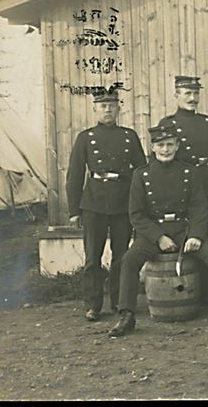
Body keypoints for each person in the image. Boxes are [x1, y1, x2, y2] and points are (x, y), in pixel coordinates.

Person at [108, 124, 208, 337]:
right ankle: (127, 314)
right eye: (161, 145)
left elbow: (199, 207)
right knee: (129, 259)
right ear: (153, 147)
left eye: (169, 145)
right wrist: (159, 237)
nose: (165, 150)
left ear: (177, 146)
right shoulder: (141, 175)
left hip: (184, 229)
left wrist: (195, 234)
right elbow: (137, 214)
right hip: (153, 232)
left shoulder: (189, 172)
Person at [66, 89, 146, 321]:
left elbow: (141, 172)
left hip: (123, 203)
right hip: (93, 203)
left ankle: (119, 302)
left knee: (121, 255)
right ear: (95, 110)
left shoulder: (129, 136)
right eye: (103, 106)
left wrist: (140, 206)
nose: (108, 110)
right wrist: (74, 211)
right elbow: (75, 175)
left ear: (118, 108)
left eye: (112, 105)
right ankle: (93, 305)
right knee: (93, 256)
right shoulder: (85, 137)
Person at [158, 76, 208, 236]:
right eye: (187, 93)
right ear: (176, 95)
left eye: (196, 93)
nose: (193, 98)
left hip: (206, 182)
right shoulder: (168, 124)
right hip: (181, 182)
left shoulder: (207, 122)